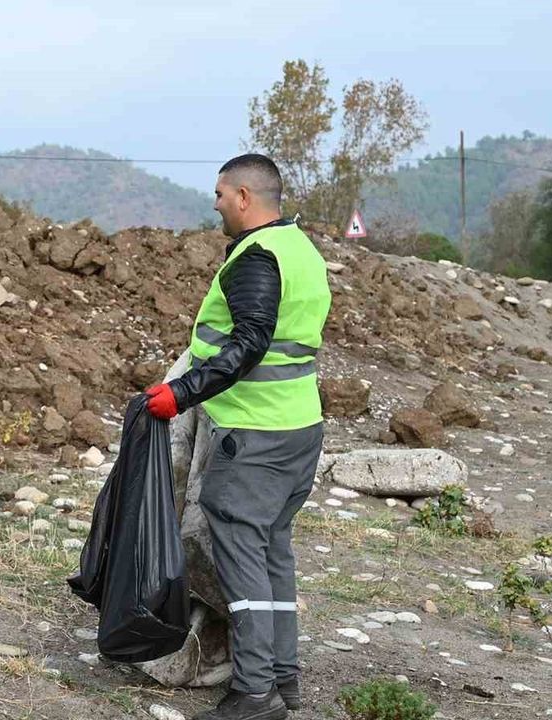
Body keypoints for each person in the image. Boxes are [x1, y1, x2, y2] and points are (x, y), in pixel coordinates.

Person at [144, 154, 331, 720]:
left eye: (221, 194)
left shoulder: (257, 258)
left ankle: (254, 692)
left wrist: (182, 392)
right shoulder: (302, 249)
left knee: (242, 557)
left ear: (245, 196)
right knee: (273, 550)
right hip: (299, 426)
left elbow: (246, 344)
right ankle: (283, 677)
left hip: (254, 434)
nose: (216, 203)